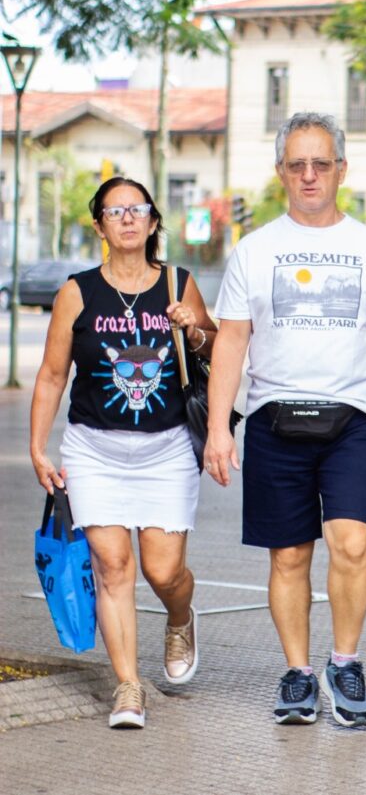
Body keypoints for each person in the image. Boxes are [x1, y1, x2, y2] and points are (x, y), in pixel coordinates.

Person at [204, 112, 366, 727]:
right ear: (281, 171)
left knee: (352, 542)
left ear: (341, 170)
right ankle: (299, 674)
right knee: (288, 556)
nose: (310, 175)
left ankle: (345, 660)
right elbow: (230, 343)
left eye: (321, 163)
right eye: (297, 164)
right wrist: (217, 429)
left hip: (355, 418)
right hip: (274, 418)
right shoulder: (254, 251)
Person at [30, 177, 215, 728]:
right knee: (113, 567)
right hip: (94, 449)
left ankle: (180, 615)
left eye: (137, 210)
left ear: (154, 221)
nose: (128, 219)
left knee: (163, 571)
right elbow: (52, 373)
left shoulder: (179, 282)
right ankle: (128, 687)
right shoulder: (77, 291)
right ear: (100, 226)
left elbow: (215, 341)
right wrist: (37, 446)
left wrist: (195, 330)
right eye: (116, 212)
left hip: (166, 450)